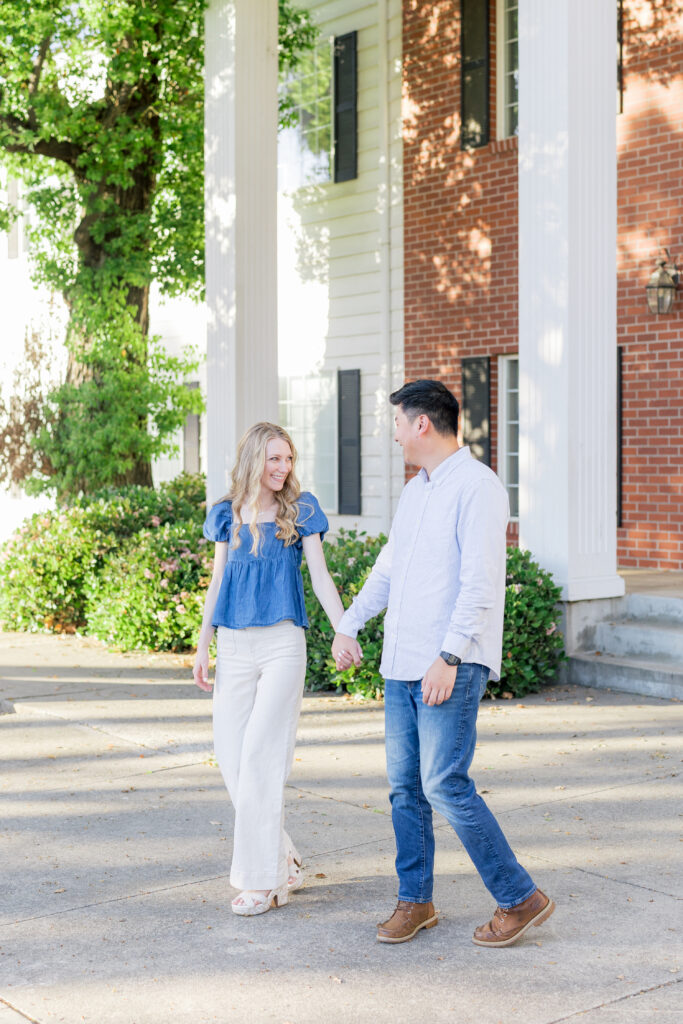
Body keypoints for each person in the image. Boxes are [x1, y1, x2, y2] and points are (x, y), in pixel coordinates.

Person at [332, 380, 555, 947]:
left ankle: (519, 897)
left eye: (398, 424)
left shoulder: (477, 487)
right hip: (401, 664)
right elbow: (388, 567)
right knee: (405, 789)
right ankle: (416, 901)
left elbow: (481, 584)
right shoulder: (416, 491)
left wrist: (449, 656)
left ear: (423, 424)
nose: (395, 434)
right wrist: (350, 622)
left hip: (447, 664)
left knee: (443, 783)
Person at [193, 422, 359, 917]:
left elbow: (322, 575)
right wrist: (203, 646)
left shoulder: (300, 511)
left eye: (288, 459)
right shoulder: (225, 515)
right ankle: (282, 856)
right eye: (274, 459)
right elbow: (217, 580)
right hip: (234, 645)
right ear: (252, 460)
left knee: (263, 755)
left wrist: (342, 628)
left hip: (284, 643)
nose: (284, 468)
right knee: (232, 758)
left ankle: (261, 882)